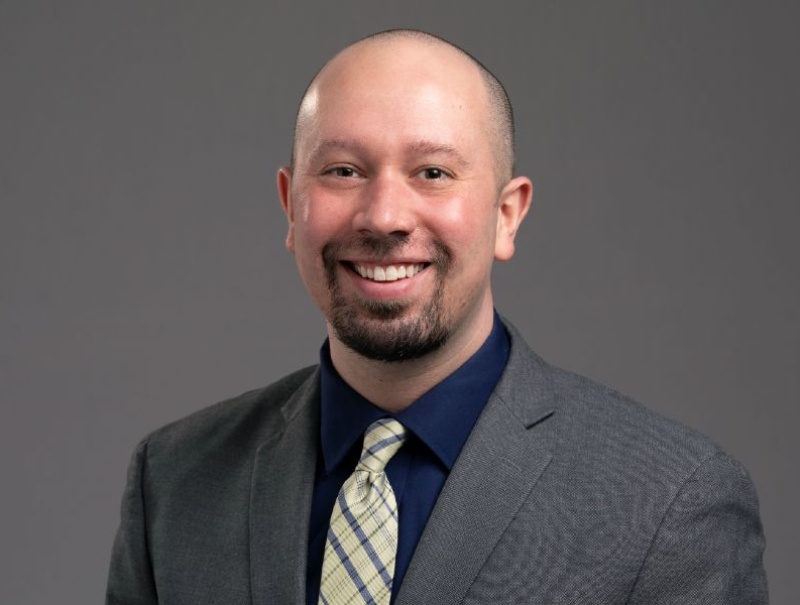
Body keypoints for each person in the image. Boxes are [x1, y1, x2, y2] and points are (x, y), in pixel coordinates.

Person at [106, 30, 768, 604]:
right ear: (290, 206)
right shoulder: (174, 481)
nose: (384, 216)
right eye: (343, 170)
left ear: (506, 215)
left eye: (432, 172)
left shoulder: (671, 503)